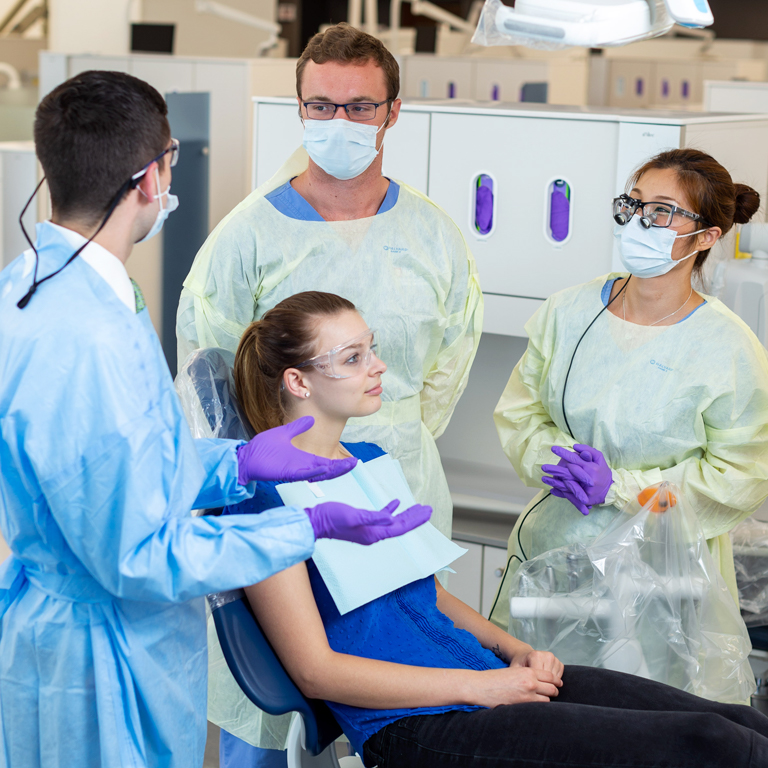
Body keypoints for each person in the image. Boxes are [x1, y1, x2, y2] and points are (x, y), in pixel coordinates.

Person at [0, 71, 430, 768]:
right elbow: (138, 557)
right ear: (152, 175)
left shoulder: (30, 286)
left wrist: (236, 464)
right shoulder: (94, 337)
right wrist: (304, 527)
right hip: (106, 660)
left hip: (47, 635)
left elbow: (108, 473)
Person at [221, 290, 768, 768]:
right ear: (297, 380)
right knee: (713, 744)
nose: (379, 366)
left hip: (482, 675)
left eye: (373, 347)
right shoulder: (262, 501)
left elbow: (428, 595)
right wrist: (484, 687)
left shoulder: (367, 460)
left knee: (738, 723)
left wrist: (515, 652)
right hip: (415, 725)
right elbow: (316, 672)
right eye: (353, 357)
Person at [176, 22, 483, 543]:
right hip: (286, 493)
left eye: (360, 107)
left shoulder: (434, 234)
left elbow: (448, 369)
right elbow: (212, 380)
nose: (340, 121)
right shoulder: (247, 234)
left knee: (414, 622)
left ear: (393, 112)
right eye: (321, 106)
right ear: (300, 108)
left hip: (403, 475)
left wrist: (387, 431)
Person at [489, 148, 768, 634]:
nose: (640, 221)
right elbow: (520, 414)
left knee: (643, 706)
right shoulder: (569, 311)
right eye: (635, 204)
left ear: (706, 236)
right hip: (552, 558)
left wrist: (619, 490)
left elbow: (738, 476)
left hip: (662, 581)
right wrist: (560, 465)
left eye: (662, 211)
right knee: (538, 696)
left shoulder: (727, 347)